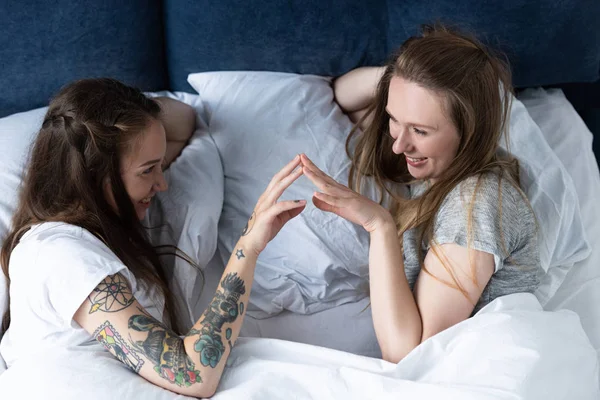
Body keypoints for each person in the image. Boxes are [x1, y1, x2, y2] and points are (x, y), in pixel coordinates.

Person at [0, 78, 306, 397]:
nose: (162, 184)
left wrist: (133, 107)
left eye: (160, 165)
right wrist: (248, 246)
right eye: (148, 170)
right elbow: (193, 374)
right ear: (95, 175)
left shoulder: (95, 235)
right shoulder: (64, 255)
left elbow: (183, 120)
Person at [300, 25, 542, 363]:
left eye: (420, 130)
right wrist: (401, 78)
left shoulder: (475, 205)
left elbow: (409, 355)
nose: (399, 144)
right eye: (393, 119)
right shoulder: (438, 162)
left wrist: (379, 225)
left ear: (470, 132)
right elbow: (342, 96)